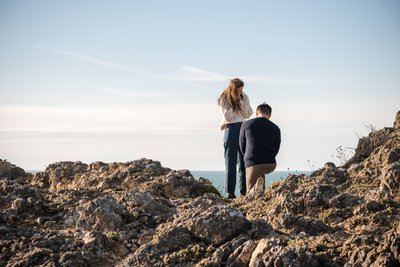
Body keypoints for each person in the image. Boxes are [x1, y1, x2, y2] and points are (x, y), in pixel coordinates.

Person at [218, 78, 253, 199]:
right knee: (230, 161)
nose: (240, 93)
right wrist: (234, 102)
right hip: (230, 129)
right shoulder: (224, 98)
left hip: (244, 128)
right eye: (238, 91)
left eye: (241, 91)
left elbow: (247, 114)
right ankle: (230, 193)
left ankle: (244, 192)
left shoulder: (244, 96)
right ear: (232, 89)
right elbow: (228, 117)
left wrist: (240, 102)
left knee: (244, 161)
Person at [239, 103, 281, 197]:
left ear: (257, 113)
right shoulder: (276, 128)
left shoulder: (246, 124)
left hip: (253, 162)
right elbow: (277, 147)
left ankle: (254, 192)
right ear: (269, 116)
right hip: (270, 163)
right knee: (260, 174)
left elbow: (242, 145)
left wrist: (248, 158)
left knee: (250, 193)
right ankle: (260, 190)